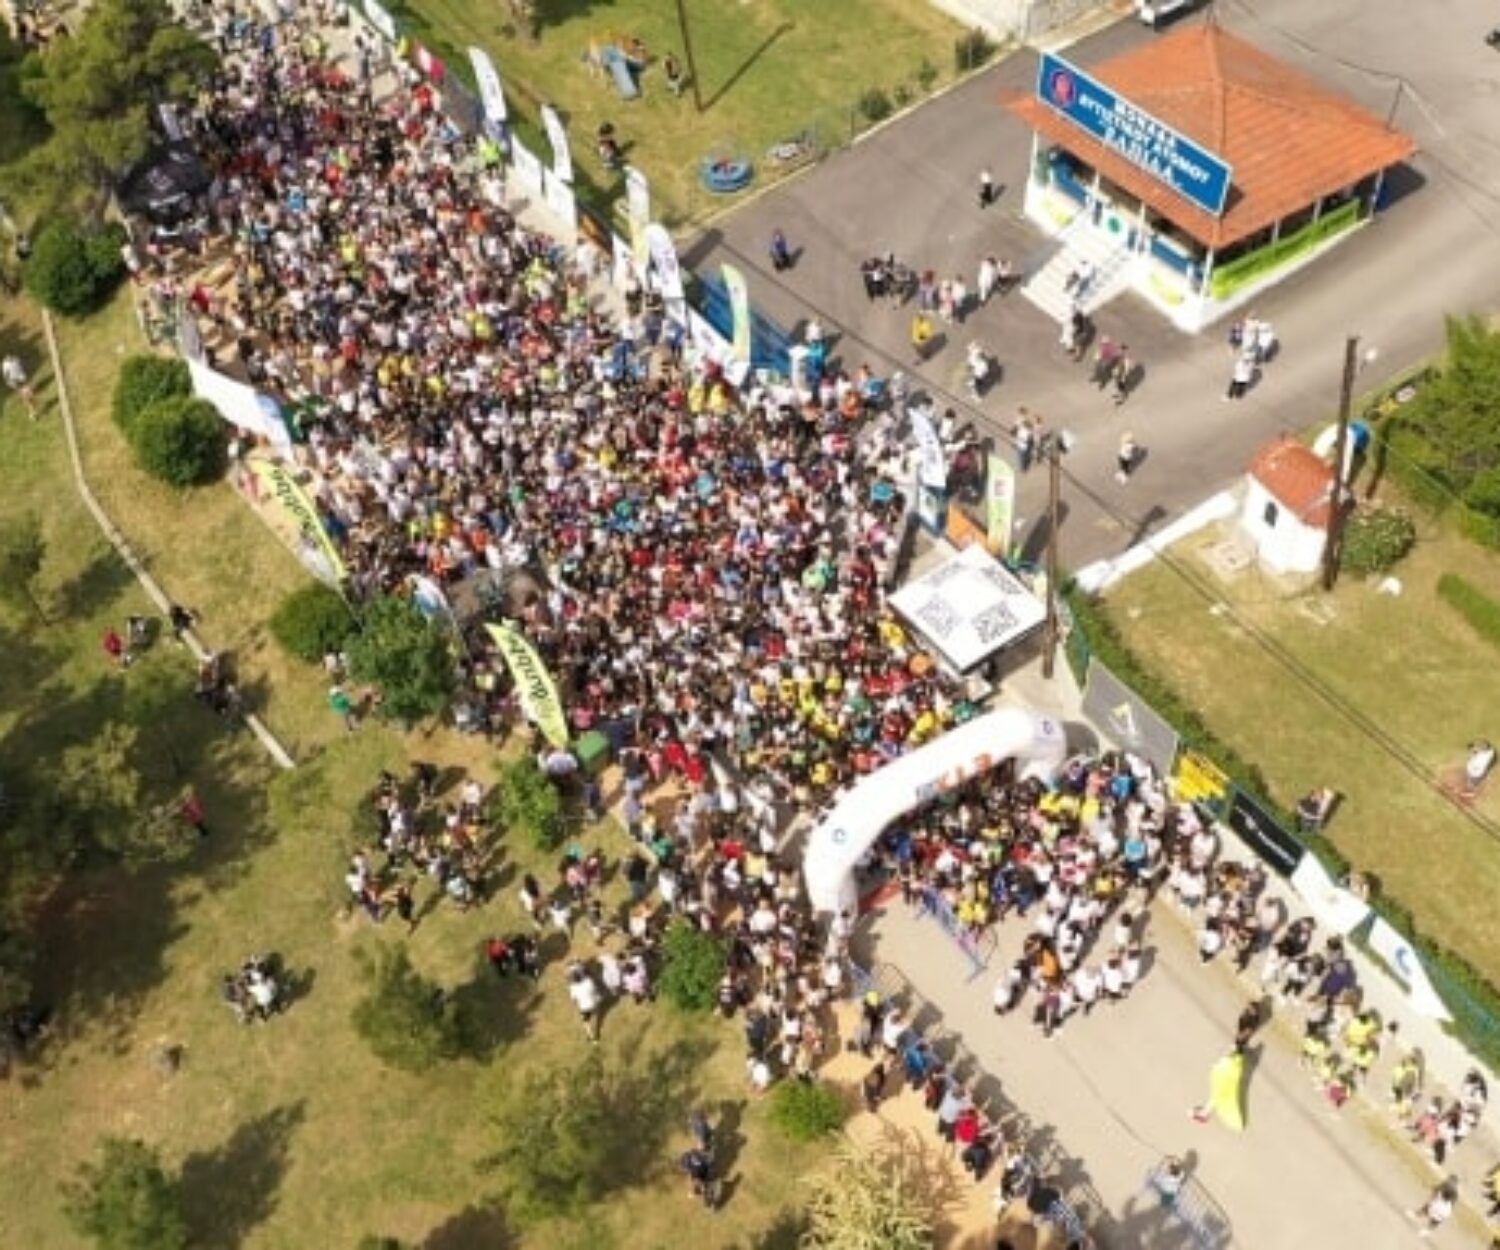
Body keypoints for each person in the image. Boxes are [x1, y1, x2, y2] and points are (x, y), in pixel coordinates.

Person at [567, 960, 602, 1042]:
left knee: (586, 1022)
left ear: (573, 979)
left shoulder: (573, 987)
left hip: (584, 1007)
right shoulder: (588, 981)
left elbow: (573, 999)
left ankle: (592, 1037)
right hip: (593, 1003)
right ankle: (595, 1031)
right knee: (595, 1015)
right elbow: (595, 990)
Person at [2, 354, 37, 419]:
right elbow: (6, 375)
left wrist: (26, 374)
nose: (9, 357)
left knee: (30, 395)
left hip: (22, 378)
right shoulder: (5, 364)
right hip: (16, 381)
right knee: (27, 396)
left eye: (9, 355)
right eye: (7, 356)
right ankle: (32, 412)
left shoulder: (15, 359)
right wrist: (10, 382)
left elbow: (21, 367)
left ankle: (32, 410)